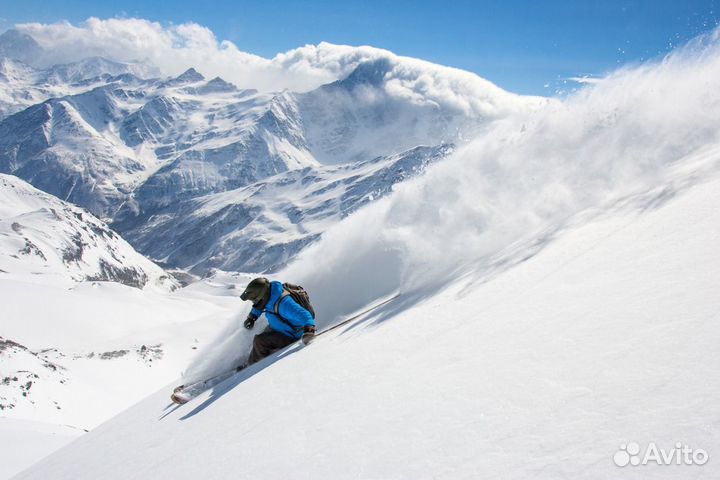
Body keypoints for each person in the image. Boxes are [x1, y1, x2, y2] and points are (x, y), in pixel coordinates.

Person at [240, 277, 316, 366]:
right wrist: (252, 317)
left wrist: (309, 330)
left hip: (291, 335)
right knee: (261, 337)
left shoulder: (285, 304)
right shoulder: (270, 294)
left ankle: (251, 367)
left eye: (254, 299)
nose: (254, 302)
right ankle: (256, 357)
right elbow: (259, 306)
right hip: (279, 328)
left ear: (262, 296)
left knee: (259, 341)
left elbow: (305, 315)